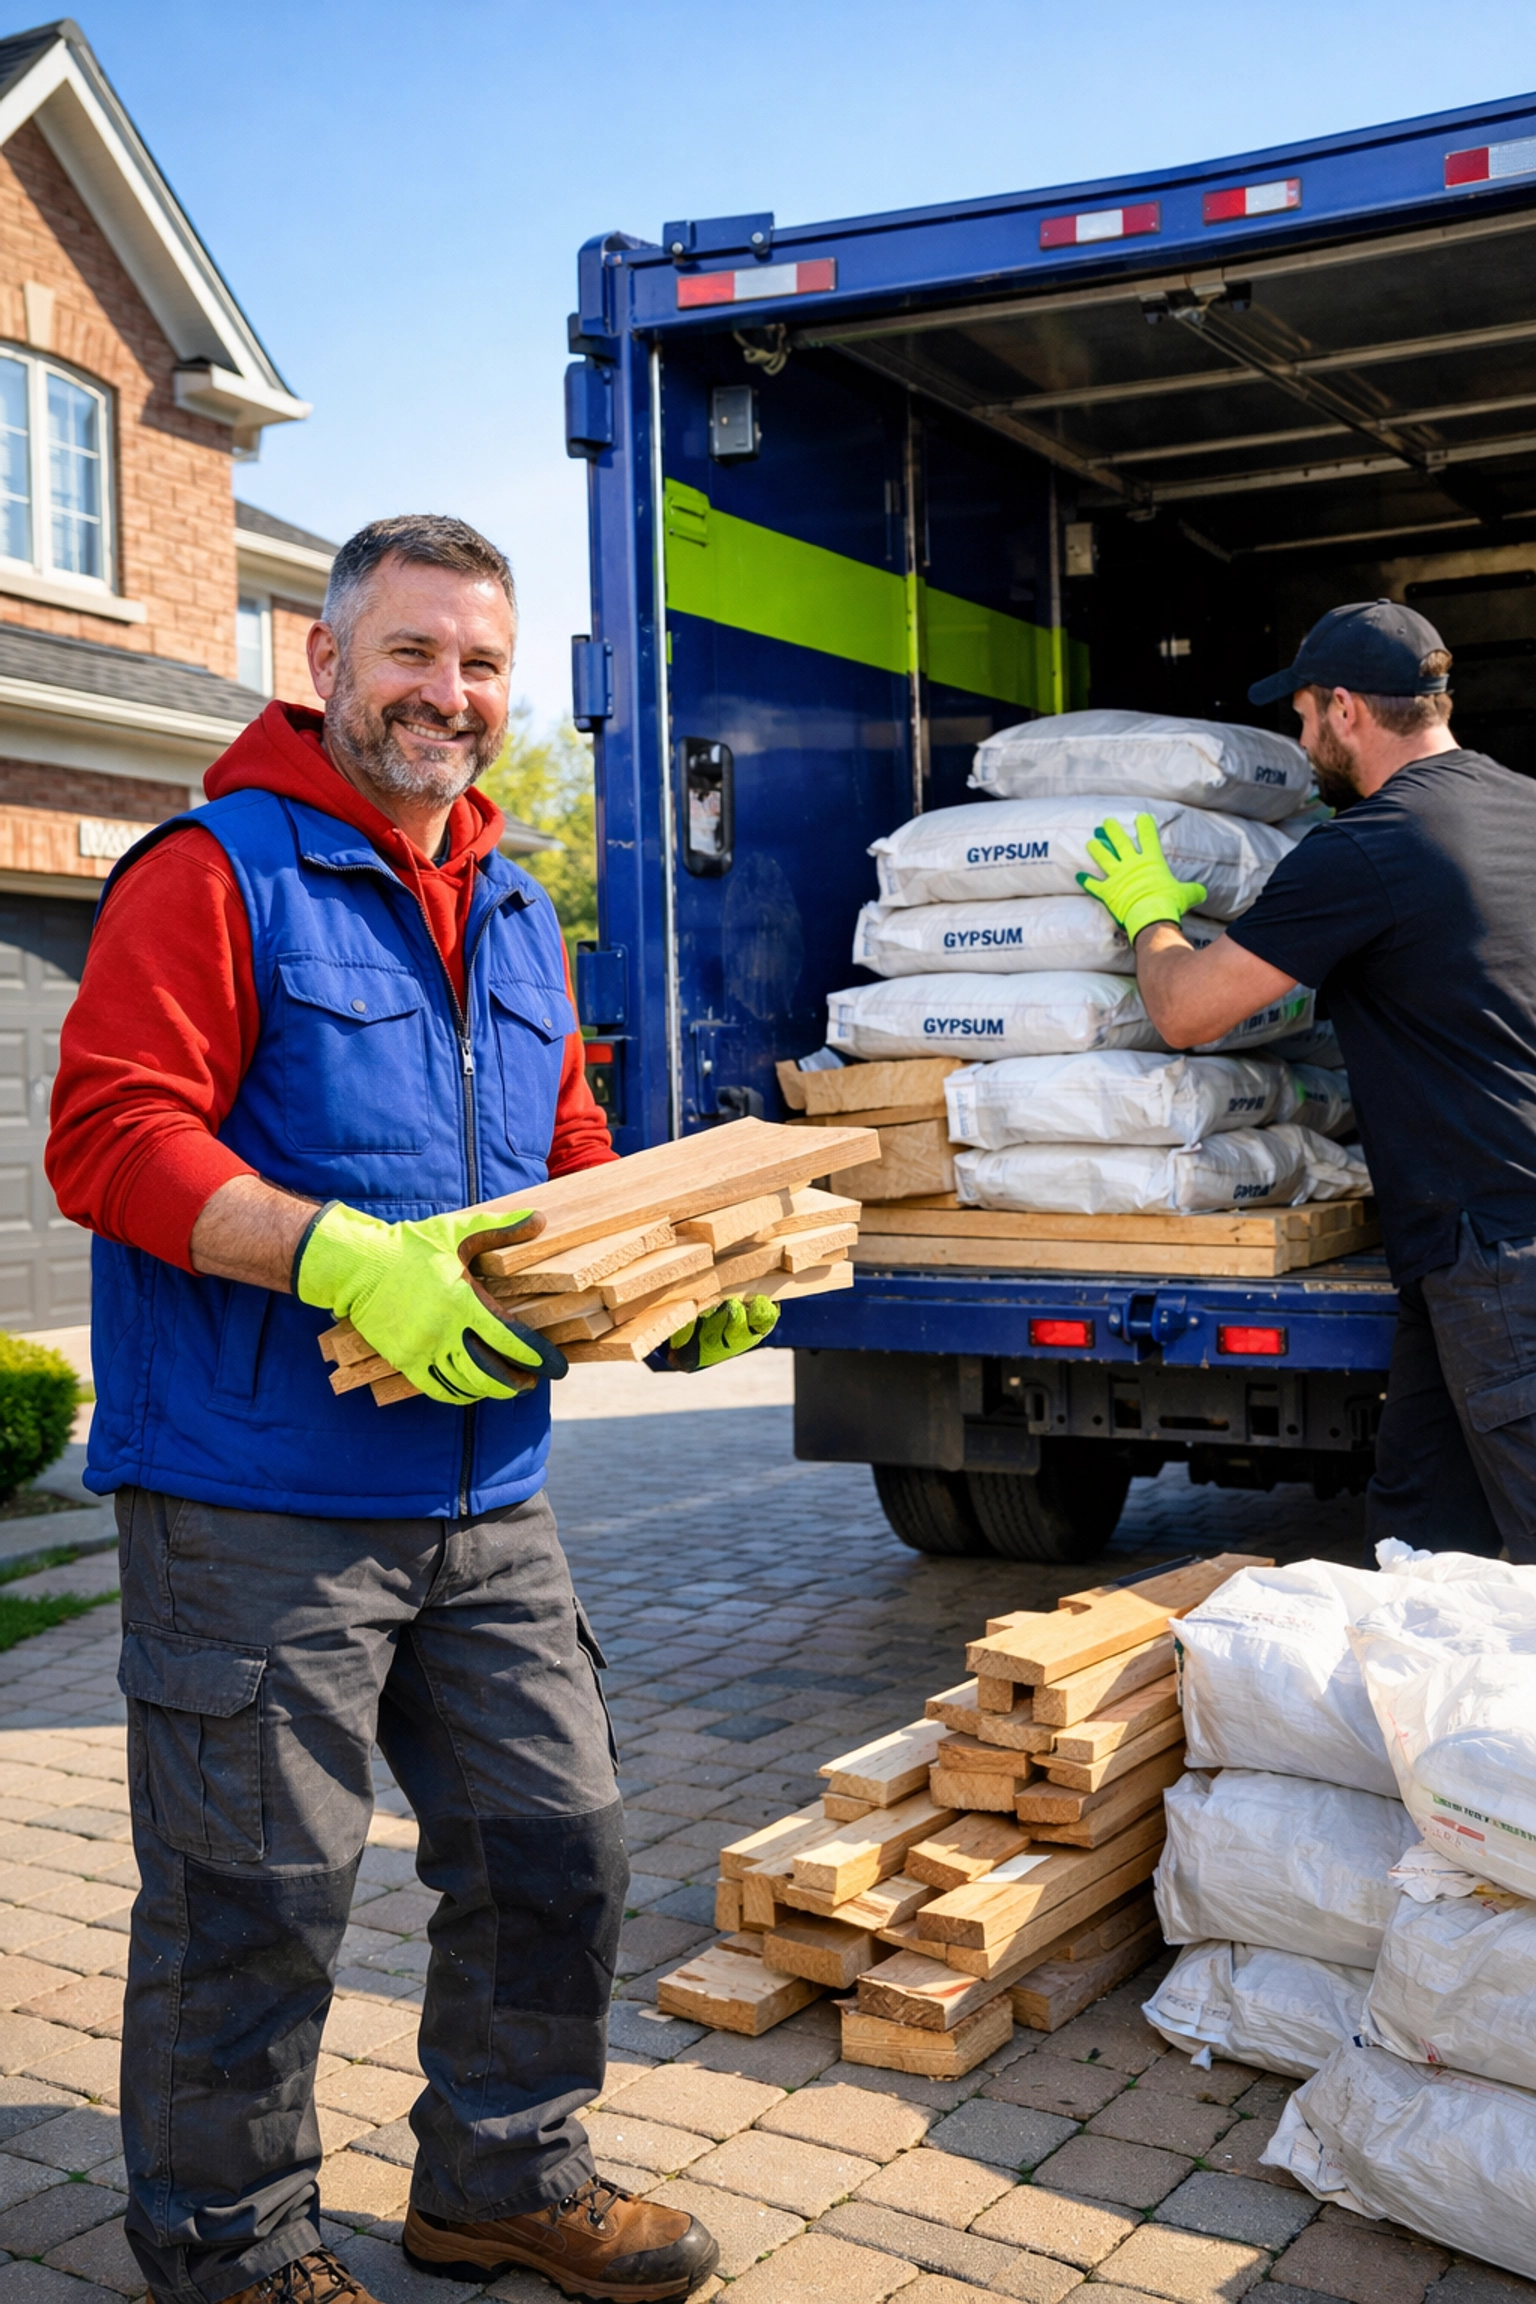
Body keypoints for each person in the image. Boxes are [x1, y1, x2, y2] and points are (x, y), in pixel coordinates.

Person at [45, 516, 765, 2304]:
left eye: (481, 664)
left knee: (556, 1841)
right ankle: (226, 2242)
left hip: (487, 1486)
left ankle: (498, 2178)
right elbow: (110, 1134)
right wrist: (339, 1255)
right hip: (251, 1491)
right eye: (412, 654)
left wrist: (675, 1288)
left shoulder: (522, 904)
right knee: (256, 1891)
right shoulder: (214, 872)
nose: (450, 693)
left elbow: (566, 1163)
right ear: (326, 664)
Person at [1078, 597, 1536, 1565]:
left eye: (1301, 713)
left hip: (1500, 1256)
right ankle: (1418, 1715)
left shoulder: (1370, 847)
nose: (1298, 734)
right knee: (1419, 1540)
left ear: (1344, 711)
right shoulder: (1523, 807)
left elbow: (1188, 1011)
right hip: (1456, 1264)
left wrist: (1150, 914)